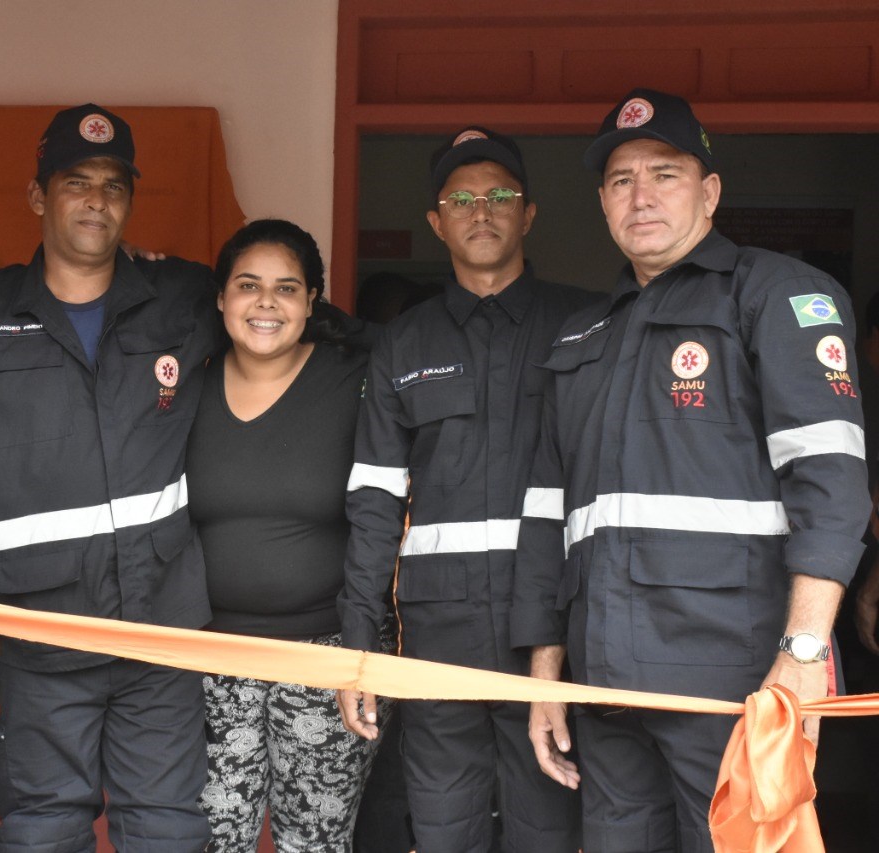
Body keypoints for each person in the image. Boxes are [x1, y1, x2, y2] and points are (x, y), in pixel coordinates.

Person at [513, 88, 869, 853]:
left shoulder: (775, 295)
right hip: (605, 688)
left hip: (733, 684)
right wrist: (547, 673)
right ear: (602, 203)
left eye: (664, 173)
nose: (640, 196)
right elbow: (549, 517)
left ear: (709, 191)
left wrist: (805, 651)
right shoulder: (582, 337)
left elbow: (832, 485)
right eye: (619, 180)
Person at [0, 103, 219, 853]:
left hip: (164, 631)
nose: (96, 200)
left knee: (171, 834)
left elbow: (286, 351)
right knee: (43, 833)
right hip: (43, 633)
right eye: (76, 182)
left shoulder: (183, 297)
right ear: (38, 196)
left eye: (114, 185)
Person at [336, 127, 590, 852]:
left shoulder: (583, 325)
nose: (483, 211)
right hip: (435, 637)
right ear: (437, 221)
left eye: (501, 195)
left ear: (530, 213)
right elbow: (375, 502)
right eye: (463, 198)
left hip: (550, 633)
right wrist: (361, 641)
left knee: (547, 829)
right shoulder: (402, 343)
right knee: (444, 833)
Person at [186, 219, 392, 850]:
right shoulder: (183, 386)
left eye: (287, 288)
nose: (267, 303)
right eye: (248, 285)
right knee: (213, 842)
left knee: (318, 843)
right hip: (208, 663)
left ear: (312, 302)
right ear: (221, 298)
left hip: (327, 661)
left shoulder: (354, 379)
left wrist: (363, 654)